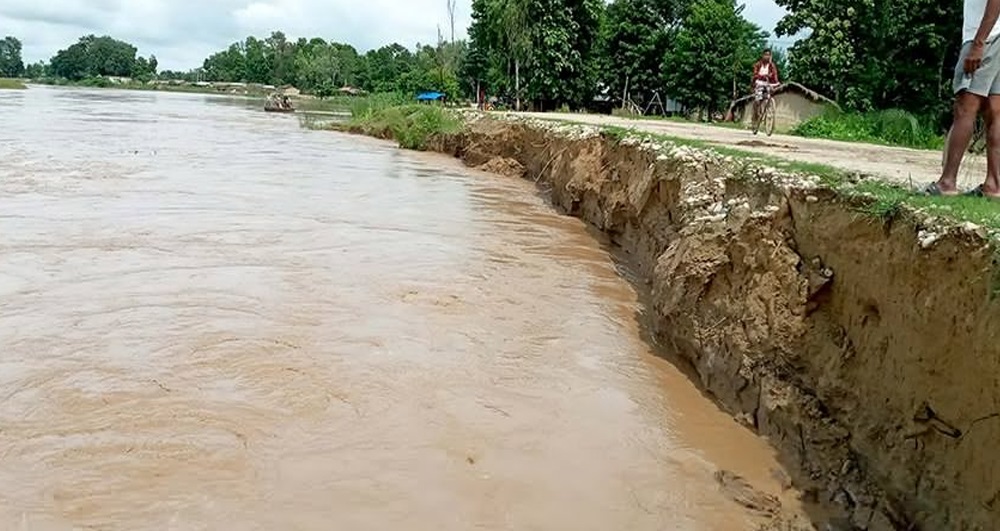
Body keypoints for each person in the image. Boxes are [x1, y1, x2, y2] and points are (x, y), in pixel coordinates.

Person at [929, 0, 1000, 197]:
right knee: (994, 110)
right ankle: (994, 185)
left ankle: (947, 182)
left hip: (985, 38)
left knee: (965, 108)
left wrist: (978, 43)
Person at [750, 49, 780, 121]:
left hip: (768, 83)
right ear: (762, 56)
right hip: (759, 82)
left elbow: (775, 74)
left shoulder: (772, 65)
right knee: (758, 99)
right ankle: (757, 113)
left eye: (769, 55)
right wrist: (762, 76)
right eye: (766, 55)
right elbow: (755, 74)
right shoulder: (758, 64)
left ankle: (767, 110)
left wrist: (777, 82)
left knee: (768, 96)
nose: (767, 57)